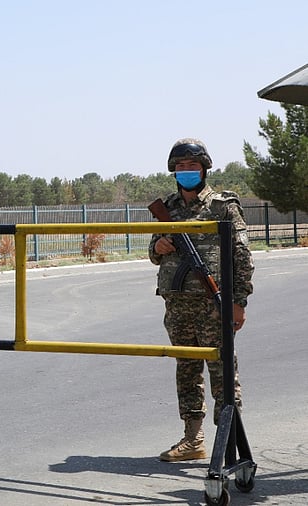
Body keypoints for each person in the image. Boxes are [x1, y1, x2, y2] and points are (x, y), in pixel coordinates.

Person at [148, 138, 254, 462]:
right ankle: (192, 439)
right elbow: (153, 252)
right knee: (187, 369)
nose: (186, 172)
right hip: (177, 306)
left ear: (204, 168)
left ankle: (230, 443)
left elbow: (241, 255)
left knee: (222, 371)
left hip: (213, 305)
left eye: (192, 166)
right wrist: (158, 248)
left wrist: (239, 302)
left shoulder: (223, 207)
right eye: (180, 167)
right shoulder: (168, 208)